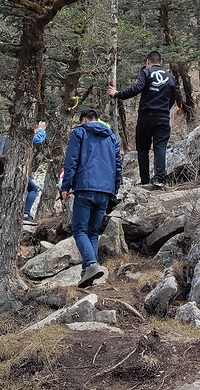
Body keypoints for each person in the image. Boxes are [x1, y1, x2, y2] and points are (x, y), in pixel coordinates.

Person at [60, 108, 122, 287]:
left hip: (85, 188)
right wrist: (114, 190)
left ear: (85, 120)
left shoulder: (79, 132)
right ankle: (87, 275)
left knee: (79, 230)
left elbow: (71, 161)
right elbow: (118, 166)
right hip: (106, 191)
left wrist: (66, 187)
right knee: (93, 232)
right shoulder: (112, 138)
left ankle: (92, 265)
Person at [107, 51, 176, 189]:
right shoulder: (170, 77)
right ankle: (159, 180)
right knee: (160, 147)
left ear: (148, 62)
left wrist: (117, 94)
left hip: (146, 116)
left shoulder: (146, 72)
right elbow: (173, 97)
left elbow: (136, 88)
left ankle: (145, 181)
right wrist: (164, 110)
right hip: (163, 116)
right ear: (161, 63)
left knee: (143, 148)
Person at [0, 121, 46, 224]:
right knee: (33, 189)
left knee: (6, 193)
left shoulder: (6, 138)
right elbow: (38, 140)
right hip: (15, 170)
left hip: (2, 170)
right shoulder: (21, 138)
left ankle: (4, 216)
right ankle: (25, 214)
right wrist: (41, 130)